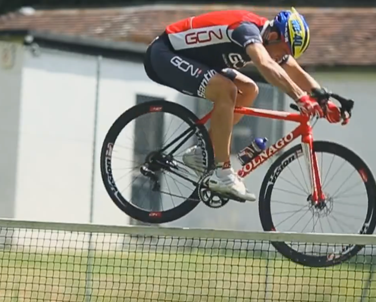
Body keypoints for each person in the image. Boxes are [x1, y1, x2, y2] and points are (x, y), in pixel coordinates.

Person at [143, 8, 345, 202]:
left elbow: (296, 72)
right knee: (226, 90)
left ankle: (203, 152)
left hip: (195, 60)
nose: (281, 57)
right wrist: (300, 97)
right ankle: (222, 173)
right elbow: (266, 65)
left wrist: (324, 100)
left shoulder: (270, 40)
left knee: (249, 89)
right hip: (164, 54)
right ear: (273, 35)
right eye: (283, 51)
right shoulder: (247, 30)